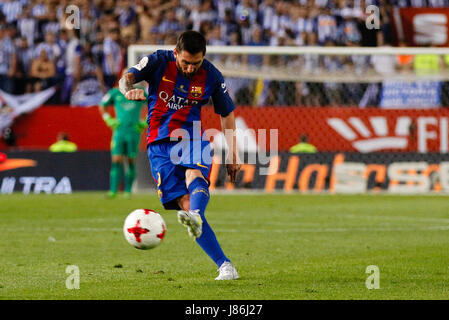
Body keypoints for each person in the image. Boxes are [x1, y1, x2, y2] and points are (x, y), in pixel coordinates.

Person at [118, 30, 240, 280]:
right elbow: (126, 78)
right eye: (185, 62)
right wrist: (128, 90)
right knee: (185, 203)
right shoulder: (158, 61)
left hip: (191, 136)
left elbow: (227, 114)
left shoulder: (212, 76)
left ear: (203, 57)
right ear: (176, 54)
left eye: (196, 63)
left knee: (195, 173)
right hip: (158, 143)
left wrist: (233, 153)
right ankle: (225, 265)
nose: (190, 68)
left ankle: (195, 217)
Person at [99, 86, 147, 199]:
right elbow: (102, 105)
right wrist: (108, 119)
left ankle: (128, 191)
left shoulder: (140, 92)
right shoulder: (115, 92)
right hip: (119, 131)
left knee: (130, 160)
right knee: (116, 160)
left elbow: (155, 105)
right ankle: (113, 191)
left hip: (134, 131)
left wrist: (145, 122)